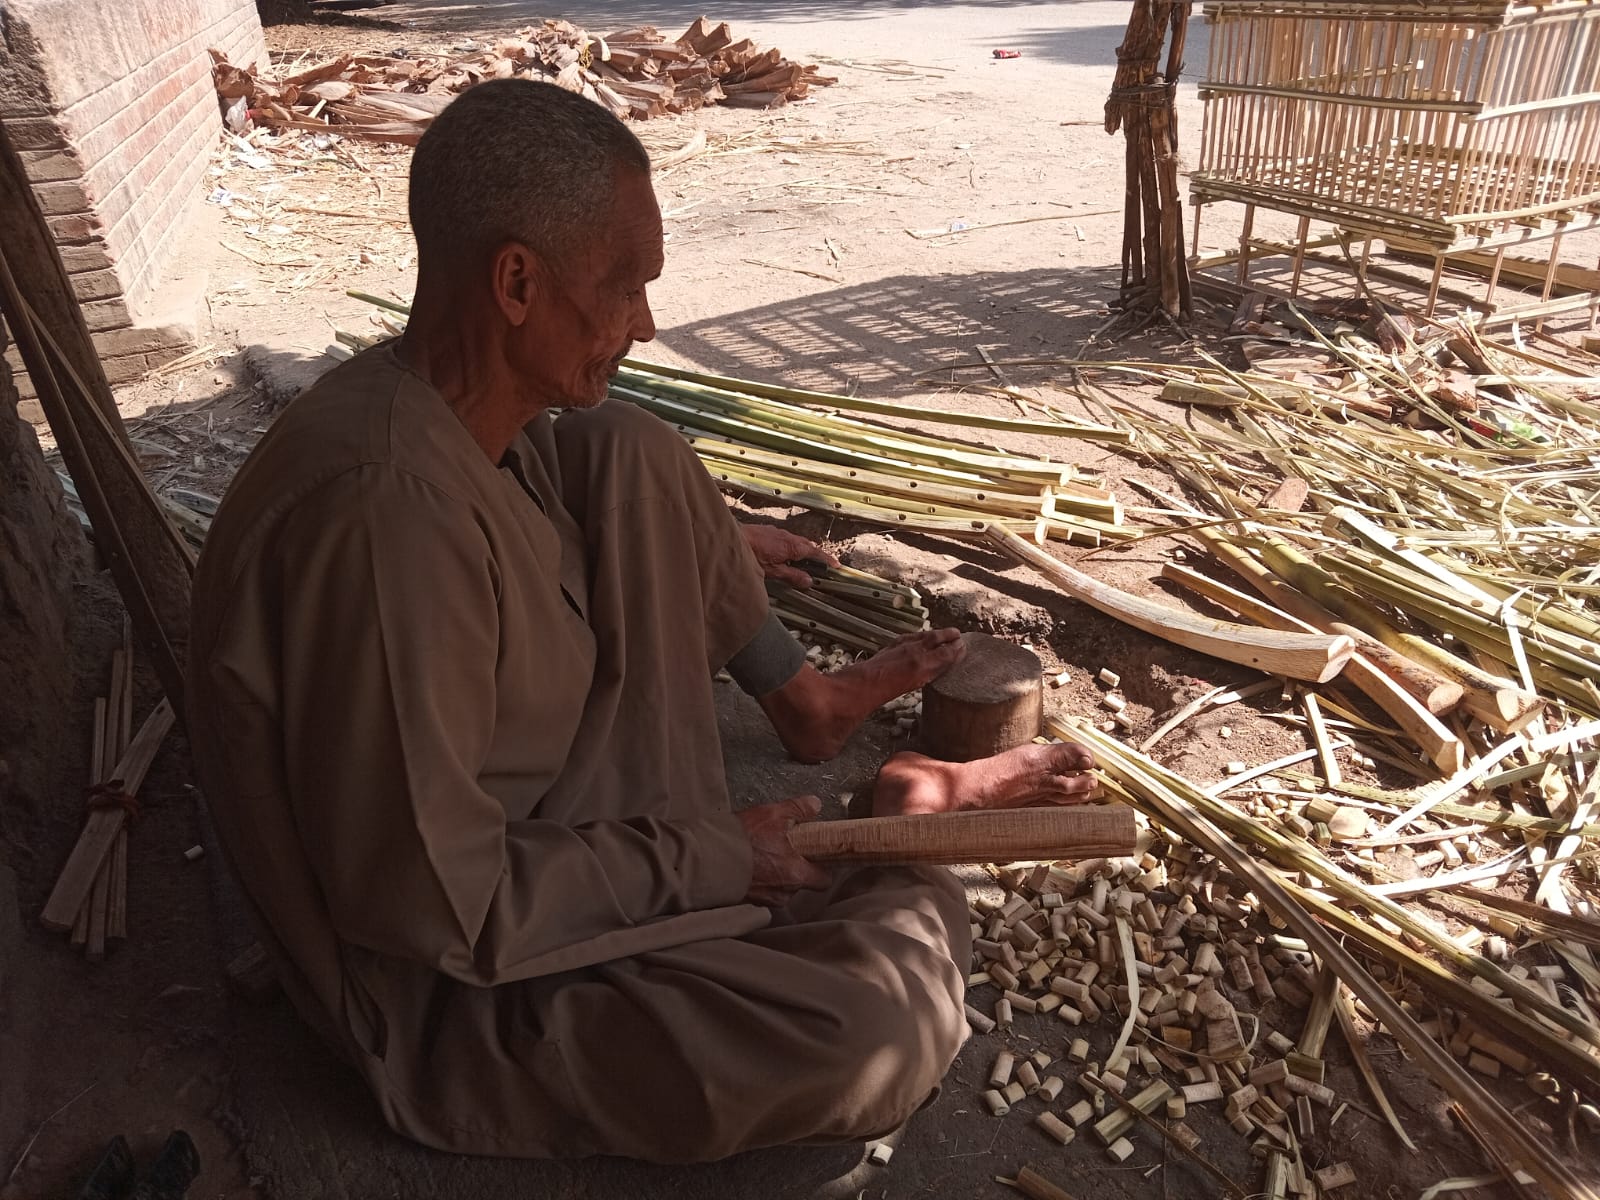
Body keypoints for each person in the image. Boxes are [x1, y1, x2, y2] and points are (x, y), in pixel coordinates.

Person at [185, 78, 1097, 1163]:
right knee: (869, 1035)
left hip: (543, 804)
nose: (646, 323)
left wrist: (709, 536)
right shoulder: (387, 520)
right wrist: (712, 858)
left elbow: (593, 494)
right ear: (517, 282)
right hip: (447, 981)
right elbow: (437, 907)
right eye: (625, 288)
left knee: (633, 449)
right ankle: (899, 829)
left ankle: (814, 734)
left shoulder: (444, 406)